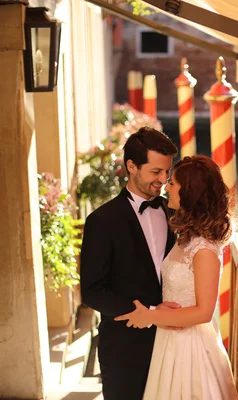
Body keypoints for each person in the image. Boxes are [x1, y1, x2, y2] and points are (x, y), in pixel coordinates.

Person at [115, 155, 238, 399]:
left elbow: (204, 312)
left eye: (172, 183)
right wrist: (159, 312)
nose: (166, 187)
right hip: (170, 339)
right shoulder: (186, 238)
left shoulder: (203, 249)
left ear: (190, 193)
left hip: (191, 348)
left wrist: (150, 316)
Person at [80, 127, 180, 400]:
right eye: (155, 172)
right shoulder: (102, 221)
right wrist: (148, 313)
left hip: (176, 343)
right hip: (126, 348)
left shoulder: (175, 212)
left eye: (167, 172)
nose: (163, 180)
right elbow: (92, 292)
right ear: (132, 166)